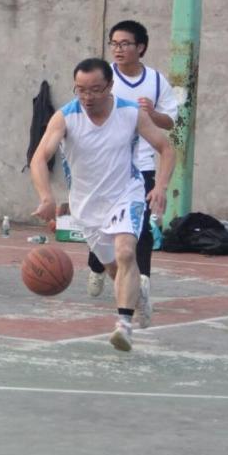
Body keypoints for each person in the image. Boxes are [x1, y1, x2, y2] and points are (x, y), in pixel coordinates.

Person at [30, 58, 174, 352]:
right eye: (81, 89)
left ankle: (124, 326)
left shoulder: (130, 113)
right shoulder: (66, 117)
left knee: (126, 252)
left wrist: (160, 186)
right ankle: (138, 296)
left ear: (109, 86)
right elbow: (39, 158)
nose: (87, 97)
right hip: (87, 206)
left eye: (95, 89)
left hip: (126, 193)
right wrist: (46, 196)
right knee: (113, 269)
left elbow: (166, 147)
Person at [85, 21, 178, 299]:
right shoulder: (103, 77)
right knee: (103, 225)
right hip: (106, 165)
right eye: (114, 44)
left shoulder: (156, 81)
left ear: (141, 47)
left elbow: (170, 122)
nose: (118, 49)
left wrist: (152, 114)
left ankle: (143, 280)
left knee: (142, 225)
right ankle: (97, 265)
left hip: (141, 166)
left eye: (125, 44)